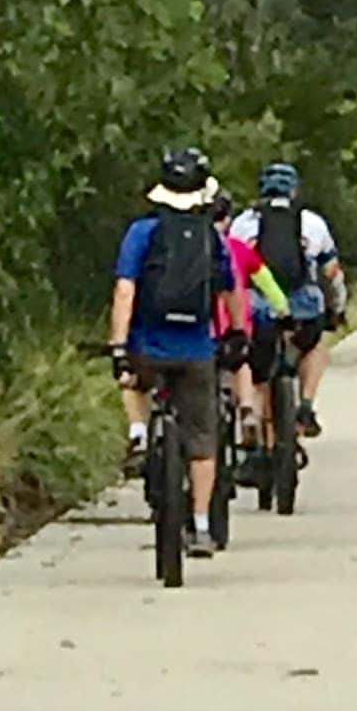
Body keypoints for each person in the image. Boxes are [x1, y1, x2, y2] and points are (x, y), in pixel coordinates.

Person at [111, 147, 237, 558]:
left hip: (149, 346)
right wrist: (236, 334)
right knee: (203, 439)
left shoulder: (142, 232)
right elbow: (229, 288)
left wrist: (118, 345)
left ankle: (140, 432)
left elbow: (125, 289)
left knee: (132, 377)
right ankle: (201, 525)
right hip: (196, 348)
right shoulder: (209, 237)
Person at [232, 162, 346, 438]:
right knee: (316, 345)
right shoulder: (312, 222)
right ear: (294, 190)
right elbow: (331, 271)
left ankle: (254, 425)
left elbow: (232, 269)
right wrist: (337, 308)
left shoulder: (244, 223)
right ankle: (306, 403)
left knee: (257, 367)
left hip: (258, 304)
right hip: (303, 304)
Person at [210, 194, 290, 448]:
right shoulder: (239, 248)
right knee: (240, 361)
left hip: (204, 322)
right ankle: (247, 409)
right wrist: (283, 310)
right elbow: (269, 285)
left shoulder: (190, 248)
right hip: (237, 320)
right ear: (228, 220)